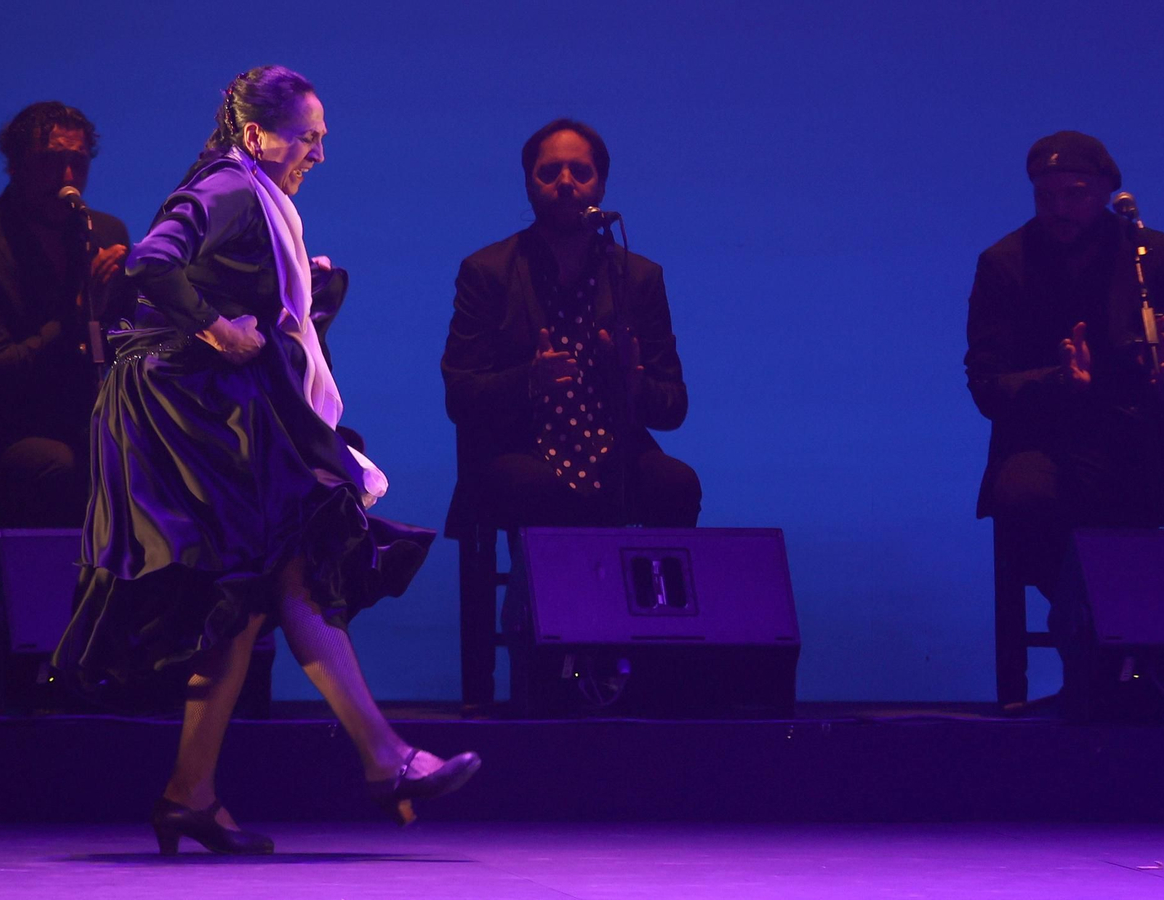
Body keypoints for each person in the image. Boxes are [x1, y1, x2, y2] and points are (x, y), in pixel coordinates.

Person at [51, 66, 479, 856]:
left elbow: (231, 288)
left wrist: (302, 294)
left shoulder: (253, 194)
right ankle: (380, 760)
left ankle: (194, 794)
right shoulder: (229, 188)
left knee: (257, 588)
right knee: (276, 568)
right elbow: (151, 263)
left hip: (213, 408)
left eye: (322, 139)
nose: (318, 154)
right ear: (256, 134)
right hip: (184, 410)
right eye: (307, 138)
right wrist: (215, 323)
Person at [964, 131, 1164, 633]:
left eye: (1074, 193)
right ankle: (1096, 626)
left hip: (1142, 432)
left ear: (1105, 191)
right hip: (1045, 439)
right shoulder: (1004, 263)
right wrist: (1059, 380)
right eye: (1045, 196)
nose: (1058, 207)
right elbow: (987, 385)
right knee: (1024, 499)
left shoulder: (1154, 255)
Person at [441, 118, 700, 538]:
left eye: (580, 172)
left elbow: (674, 407)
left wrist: (634, 385)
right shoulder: (486, 272)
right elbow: (460, 398)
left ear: (601, 186)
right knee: (534, 487)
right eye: (549, 172)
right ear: (528, 184)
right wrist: (531, 381)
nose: (565, 182)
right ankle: (545, 603)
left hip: (614, 447)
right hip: (521, 445)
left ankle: (646, 600)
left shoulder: (638, 277)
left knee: (675, 484)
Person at [0, 101, 136, 527]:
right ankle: (34, 593)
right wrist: (78, 313)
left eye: (78, 162)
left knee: (176, 451)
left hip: (75, 421)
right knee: (70, 468)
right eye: (51, 162)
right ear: (15, 166)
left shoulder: (106, 233)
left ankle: (146, 592)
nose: (68, 179)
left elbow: (128, 339)